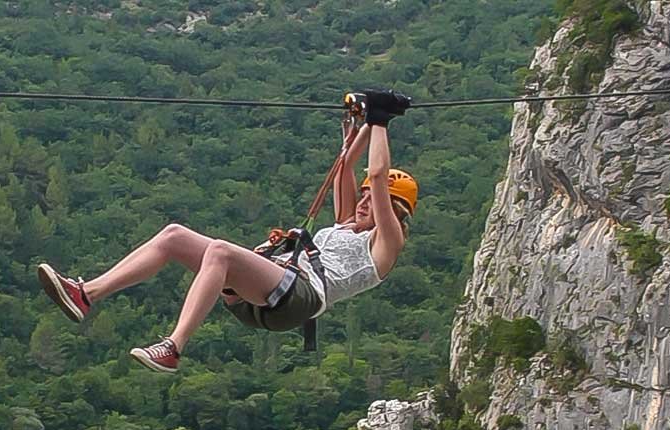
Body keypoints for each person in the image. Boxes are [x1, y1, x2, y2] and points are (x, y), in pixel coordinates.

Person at [35, 89, 420, 373]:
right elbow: (347, 168)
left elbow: (376, 175)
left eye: (378, 201)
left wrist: (381, 122)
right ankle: (85, 294)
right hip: (274, 289)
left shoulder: (386, 243)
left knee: (219, 251)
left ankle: (173, 347)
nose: (367, 203)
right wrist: (365, 121)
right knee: (174, 236)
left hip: (300, 297)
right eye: (365, 198)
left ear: (395, 211)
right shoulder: (344, 225)